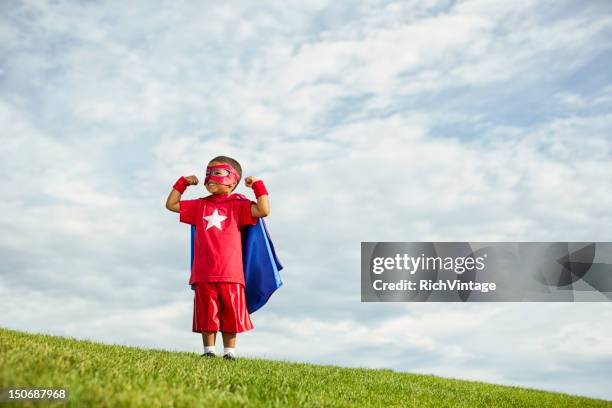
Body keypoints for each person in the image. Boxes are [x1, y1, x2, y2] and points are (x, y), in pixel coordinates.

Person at [165, 155, 270, 360]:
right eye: (208, 173)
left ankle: (229, 353)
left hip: (231, 271)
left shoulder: (238, 205)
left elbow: (263, 210)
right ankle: (209, 351)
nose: (210, 177)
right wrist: (182, 183)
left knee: (231, 312)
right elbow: (172, 205)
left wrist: (258, 185)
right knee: (207, 311)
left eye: (217, 173)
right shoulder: (199, 205)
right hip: (204, 270)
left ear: (233, 179)